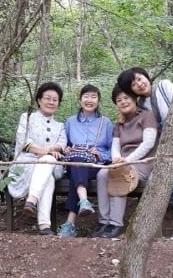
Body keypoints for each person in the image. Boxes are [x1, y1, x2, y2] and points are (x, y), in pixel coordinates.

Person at [118, 67, 173, 242]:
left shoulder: (164, 86)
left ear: (146, 76)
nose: (139, 84)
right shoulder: (143, 105)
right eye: (133, 84)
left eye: (139, 78)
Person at [94, 84, 159, 239]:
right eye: (119, 100)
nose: (123, 102)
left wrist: (127, 161)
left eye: (126, 98)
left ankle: (116, 224)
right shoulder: (119, 123)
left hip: (143, 163)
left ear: (134, 98)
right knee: (102, 174)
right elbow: (115, 146)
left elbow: (149, 143)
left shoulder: (147, 116)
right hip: (123, 162)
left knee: (119, 174)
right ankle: (104, 222)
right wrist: (117, 159)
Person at [8, 82, 67, 235]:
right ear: (39, 100)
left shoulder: (60, 126)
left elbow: (62, 144)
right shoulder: (27, 117)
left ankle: (31, 201)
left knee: (48, 160)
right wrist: (44, 151)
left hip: (52, 165)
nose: (51, 102)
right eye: (47, 98)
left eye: (55, 99)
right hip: (27, 163)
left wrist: (49, 152)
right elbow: (23, 141)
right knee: (48, 177)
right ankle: (44, 226)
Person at [57, 84, 114, 238]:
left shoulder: (106, 123)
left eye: (93, 97)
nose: (90, 100)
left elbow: (112, 149)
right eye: (86, 96)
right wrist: (65, 149)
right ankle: (83, 201)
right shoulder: (70, 122)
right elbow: (64, 144)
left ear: (99, 101)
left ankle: (70, 223)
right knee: (77, 162)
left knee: (77, 172)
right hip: (75, 162)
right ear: (80, 100)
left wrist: (100, 154)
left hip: (95, 165)